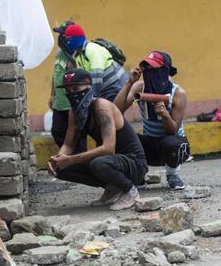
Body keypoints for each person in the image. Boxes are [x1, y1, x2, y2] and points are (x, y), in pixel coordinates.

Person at [48, 68, 148, 211]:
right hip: (111, 161)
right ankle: (112, 187)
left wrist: (71, 159)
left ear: (88, 87)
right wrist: (58, 160)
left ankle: (131, 191)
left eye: (76, 88)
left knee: (99, 163)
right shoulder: (74, 112)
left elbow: (108, 149)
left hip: (134, 163)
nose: (72, 94)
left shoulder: (102, 107)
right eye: (68, 91)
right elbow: (68, 144)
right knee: (61, 169)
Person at [114, 51, 190, 190]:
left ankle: (173, 175)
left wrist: (165, 115)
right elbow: (116, 110)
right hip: (149, 146)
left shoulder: (178, 93)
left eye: (155, 69)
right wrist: (129, 82)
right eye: (147, 69)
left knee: (171, 142)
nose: (150, 73)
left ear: (165, 70)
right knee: (119, 137)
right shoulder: (139, 88)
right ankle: (138, 175)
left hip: (174, 147)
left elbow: (172, 130)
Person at [62, 23, 128, 102]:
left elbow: (97, 76)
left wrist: (93, 98)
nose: (68, 42)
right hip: (104, 91)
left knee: (109, 112)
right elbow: (85, 80)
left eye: (70, 39)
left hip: (116, 87)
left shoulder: (91, 48)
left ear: (77, 38)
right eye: (66, 40)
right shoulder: (78, 56)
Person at [49, 21, 86, 153]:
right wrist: (52, 95)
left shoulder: (78, 53)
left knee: (77, 136)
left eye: (63, 35)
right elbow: (55, 74)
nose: (61, 38)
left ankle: (79, 164)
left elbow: (82, 78)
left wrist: (74, 62)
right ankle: (69, 158)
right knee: (57, 131)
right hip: (59, 103)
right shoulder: (60, 53)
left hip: (71, 103)